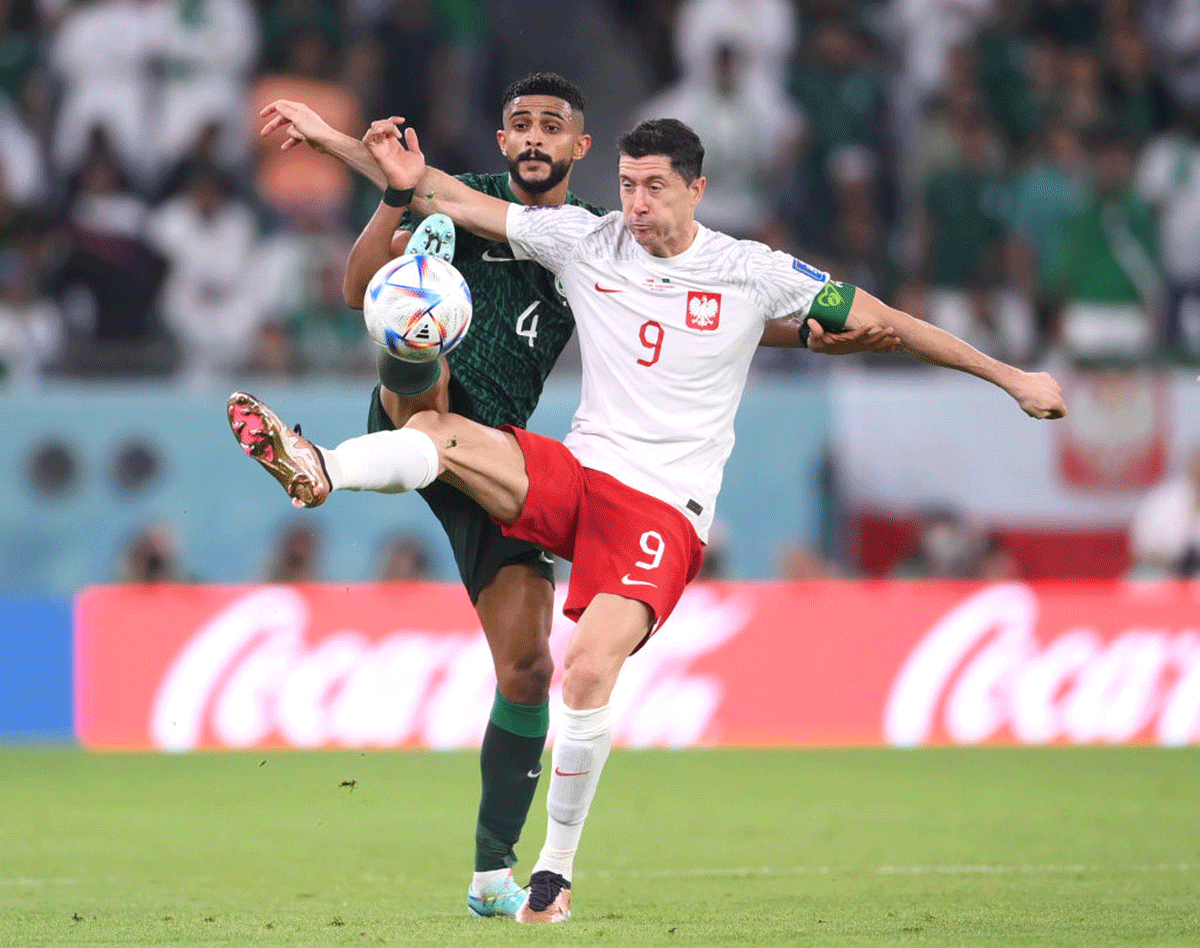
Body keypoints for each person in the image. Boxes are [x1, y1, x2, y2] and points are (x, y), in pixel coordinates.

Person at [229, 114, 1065, 922]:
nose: (636, 204)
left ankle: (553, 871)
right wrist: (344, 145)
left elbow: (887, 321)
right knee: (438, 433)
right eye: (626, 185)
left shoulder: (754, 270)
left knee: (584, 673)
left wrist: (1011, 377)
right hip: (582, 477)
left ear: (697, 189)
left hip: (663, 510)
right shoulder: (587, 242)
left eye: (655, 187)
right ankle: (322, 469)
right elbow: (439, 192)